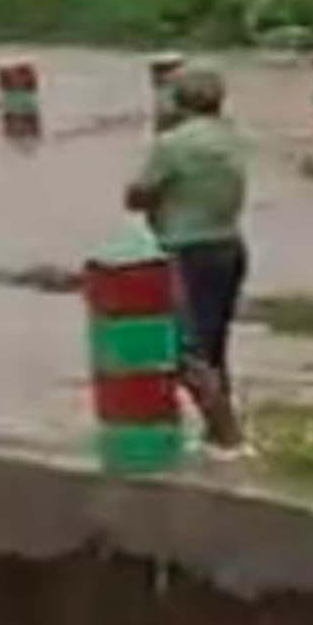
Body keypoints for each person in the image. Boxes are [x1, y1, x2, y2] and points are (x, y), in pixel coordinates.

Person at [125, 66, 250, 455]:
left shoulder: (172, 144)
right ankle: (216, 432)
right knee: (213, 343)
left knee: (185, 347)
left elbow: (137, 195)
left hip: (184, 250)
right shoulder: (231, 138)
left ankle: (229, 435)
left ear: (178, 100)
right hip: (228, 246)